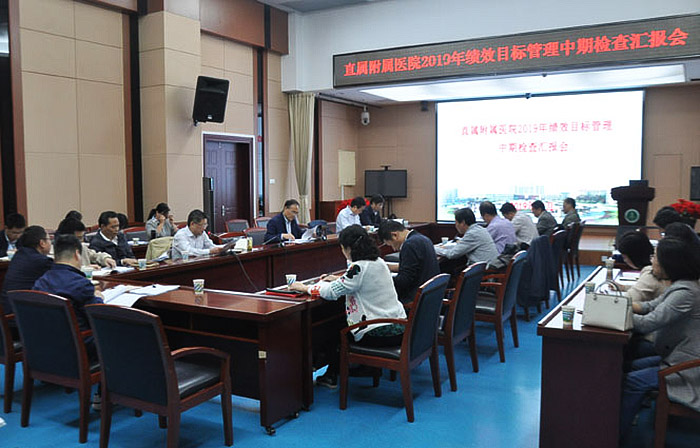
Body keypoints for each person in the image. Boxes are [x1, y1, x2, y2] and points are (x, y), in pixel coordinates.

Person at [290, 225, 407, 388]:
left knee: (331, 331)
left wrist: (304, 288)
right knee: (337, 324)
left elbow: (331, 292)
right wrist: (337, 279)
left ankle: (331, 375)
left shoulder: (358, 267)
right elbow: (356, 281)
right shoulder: (378, 262)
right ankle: (339, 371)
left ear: (348, 248)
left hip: (379, 331)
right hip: (399, 326)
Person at [620, 237, 700, 436]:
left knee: (631, 381)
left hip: (687, 368)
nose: (652, 260)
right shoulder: (681, 285)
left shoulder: (686, 292)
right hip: (677, 357)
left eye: (655, 257)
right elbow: (649, 306)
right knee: (625, 367)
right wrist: (620, 304)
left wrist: (615, 314)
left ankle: (613, 435)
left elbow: (648, 322)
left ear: (669, 263)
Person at [33, 235, 104, 360]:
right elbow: (98, 316)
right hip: (80, 347)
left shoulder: (40, 282)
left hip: (45, 346)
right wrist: (98, 298)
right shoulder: (81, 284)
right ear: (77, 254)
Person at [378, 219, 440, 303]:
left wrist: (384, 279)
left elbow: (404, 281)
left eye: (391, 244)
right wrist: (388, 267)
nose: (394, 249)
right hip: (429, 294)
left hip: (415, 299)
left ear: (394, 235)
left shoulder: (409, 245)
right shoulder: (422, 238)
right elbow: (415, 267)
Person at [0, 226, 53, 313]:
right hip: (19, 314)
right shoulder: (41, 261)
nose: (50, 243)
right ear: (42, 243)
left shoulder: (19, 255)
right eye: (49, 239)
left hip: (8, 309)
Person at [434, 207, 499, 266]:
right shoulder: (480, 229)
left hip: (484, 271)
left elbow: (452, 254)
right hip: (489, 267)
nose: (455, 225)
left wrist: (433, 248)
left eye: (456, 222)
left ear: (463, 222)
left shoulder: (472, 234)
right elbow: (461, 247)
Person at [616, 231, 668, 303]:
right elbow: (647, 289)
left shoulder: (650, 273)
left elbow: (626, 301)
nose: (624, 260)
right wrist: (624, 287)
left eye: (624, 257)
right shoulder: (653, 270)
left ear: (634, 256)